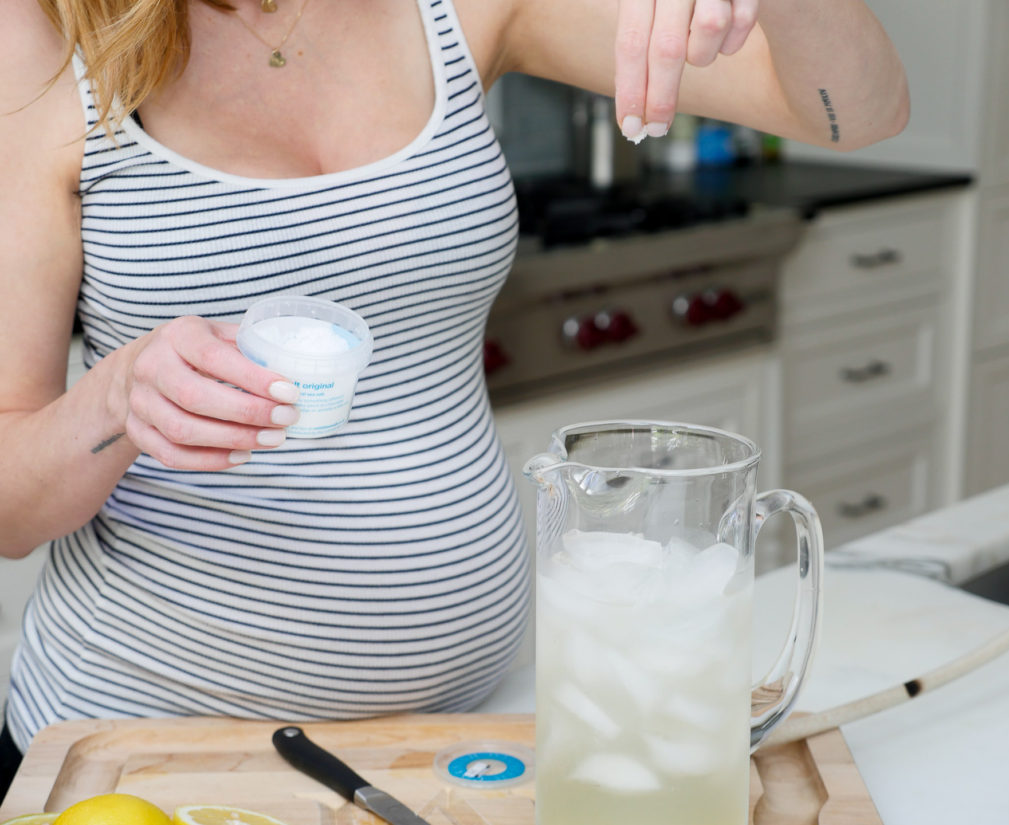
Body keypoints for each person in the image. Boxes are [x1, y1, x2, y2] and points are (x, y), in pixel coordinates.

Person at [0, 0, 908, 800]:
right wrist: (113, 400)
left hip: (459, 741)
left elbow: (856, 114)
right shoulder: (42, 35)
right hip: (152, 748)